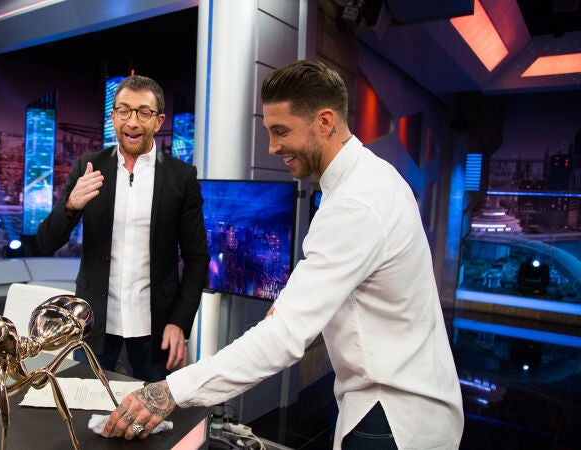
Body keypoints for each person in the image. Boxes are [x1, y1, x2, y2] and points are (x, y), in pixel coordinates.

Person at [102, 60, 464, 449]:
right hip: (406, 404)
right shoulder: (372, 178)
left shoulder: (356, 202)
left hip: (391, 417)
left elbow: (285, 337)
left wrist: (170, 391)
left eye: (281, 131)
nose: (273, 147)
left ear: (325, 122)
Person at [36, 75, 209, 383]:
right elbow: (46, 241)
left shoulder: (181, 177)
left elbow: (197, 257)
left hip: (156, 328)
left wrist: (180, 323)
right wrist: (71, 205)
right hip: (94, 324)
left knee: (153, 409)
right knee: (86, 405)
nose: (133, 121)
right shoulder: (88, 167)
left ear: (158, 121)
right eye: (125, 111)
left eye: (144, 112)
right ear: (113, 117)